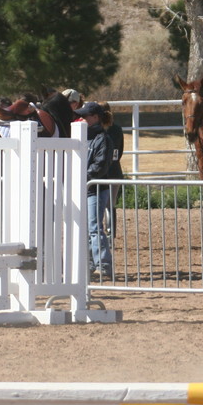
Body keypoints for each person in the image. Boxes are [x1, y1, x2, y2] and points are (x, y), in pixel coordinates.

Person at [74, 101, 115, 280]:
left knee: (94, 227)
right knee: (88, 228)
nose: (82, 118)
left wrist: (81, 177)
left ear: (95, 118)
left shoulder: (103, 139)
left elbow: (100, 166)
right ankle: (92, 264)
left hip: (96, 188)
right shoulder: (86, 138)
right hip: (87, 187)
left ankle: (103, 265)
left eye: (86, 116)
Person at [101, 102, 125, 237]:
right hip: (115, 170)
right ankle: (111, 233)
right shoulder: (117, 129)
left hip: (101, 173)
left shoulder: (97, 130)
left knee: (99, 204)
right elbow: (120, 151)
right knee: (111, 205)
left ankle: (101, 233)